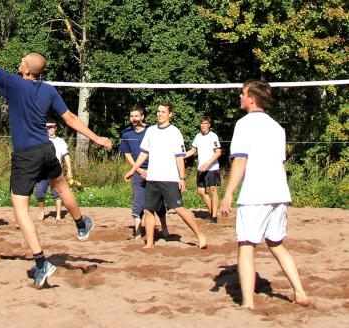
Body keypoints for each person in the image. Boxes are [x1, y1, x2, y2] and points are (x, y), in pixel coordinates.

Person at [0, 16, 113, 287]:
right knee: (62, 188)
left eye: (22, 62)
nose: (18, 64)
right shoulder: (49, 91)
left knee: (20, 210)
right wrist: (96, 137)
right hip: (46, 150)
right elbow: (71, 119)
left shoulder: (16, 85)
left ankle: (41, 262)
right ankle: (81, 224)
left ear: (27, 69)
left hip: (26, 156)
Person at [221, 80, 309, 309]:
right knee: (276, 243)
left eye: (242, 94)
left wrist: (228, 192)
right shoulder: (277, 127)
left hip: (255, 194)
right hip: (279, 192)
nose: (240, 97)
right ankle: (299, 291)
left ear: (251, 98)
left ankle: (248, 303)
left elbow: (240, 160)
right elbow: (281, 165)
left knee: (247, 245)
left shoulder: (244, 124)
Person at [124, 101, 207, 249]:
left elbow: (179, 157)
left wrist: (182, 178)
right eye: (158, 111)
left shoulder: (175, 132)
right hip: (152, 178)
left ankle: (200, 235)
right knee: (149, 210)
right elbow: (144, 153)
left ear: (170, 114)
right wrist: (133, 169)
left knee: (179, 209)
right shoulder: (151, 131)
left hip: (169, 178)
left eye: (163, 111)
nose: (159, 114)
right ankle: (149, 243)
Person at [119, 106, 168, 240]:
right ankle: (138, 232)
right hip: (137, 172)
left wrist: (150, 169)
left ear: (142, 117)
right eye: (131, 116)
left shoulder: (152, 131)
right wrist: (138, 170)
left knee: (158, 201)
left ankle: (164, 227)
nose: (134, 119)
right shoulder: (127, 134)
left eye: (136, 116)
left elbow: (158, 150)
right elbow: (127, 154)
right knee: (137, 202)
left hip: (154, 170)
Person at [185, 116, 222, 223]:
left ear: (209, 125)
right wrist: (181, 156)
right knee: (201, 191)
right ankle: (212, 211)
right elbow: (192, 150)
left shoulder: (213, 136)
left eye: (205, 123)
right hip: (201, 168)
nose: (203, 125)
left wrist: (208, 164)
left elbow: (218, 152)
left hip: (212, 168)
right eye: (202, 123)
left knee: (213, 190)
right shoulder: (198, 136)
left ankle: (214, 216)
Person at [35, 119, 73, 221]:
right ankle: (42, 212)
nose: (49, 129)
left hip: (55, 171)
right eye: (47, 127)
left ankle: (58, 215)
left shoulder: (61, 141)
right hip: (42, 172)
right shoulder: (41, 141)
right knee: (39, 193)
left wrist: (69, 170)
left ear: (55, 128)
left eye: (51, 127)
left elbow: (66, 156)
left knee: (57, 194)